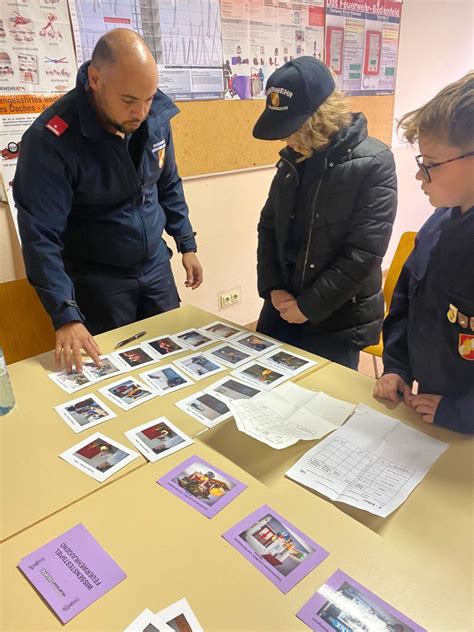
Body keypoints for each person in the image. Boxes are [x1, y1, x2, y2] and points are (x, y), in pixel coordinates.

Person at [13, 29, 203, 373]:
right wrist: (66, 314)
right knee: (119, 377)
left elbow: (167, 181)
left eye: (148, 98)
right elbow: (41, 238)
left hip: (155, 267)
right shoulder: (51, 141)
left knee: (176, 365)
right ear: (96, 79)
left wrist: (186, 242)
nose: (141, 112)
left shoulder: (152, 114)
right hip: (100, 282)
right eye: (129, 101)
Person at [253, 56, 397, 369]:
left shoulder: (374, 163)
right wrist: (273, 287)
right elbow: (268, 226)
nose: (285, 138)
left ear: (319, 119)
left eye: (292, 128)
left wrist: (308, 306)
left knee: (327, 411)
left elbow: (363, 253)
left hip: (337, 322)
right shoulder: (293, 158)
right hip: (282, 311)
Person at [374, 72, 474, 434]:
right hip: (430, 410)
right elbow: (405, 305)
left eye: (429, 164)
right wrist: (397, 366)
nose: (420, 177)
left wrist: (463, 413)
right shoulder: (435, 227)